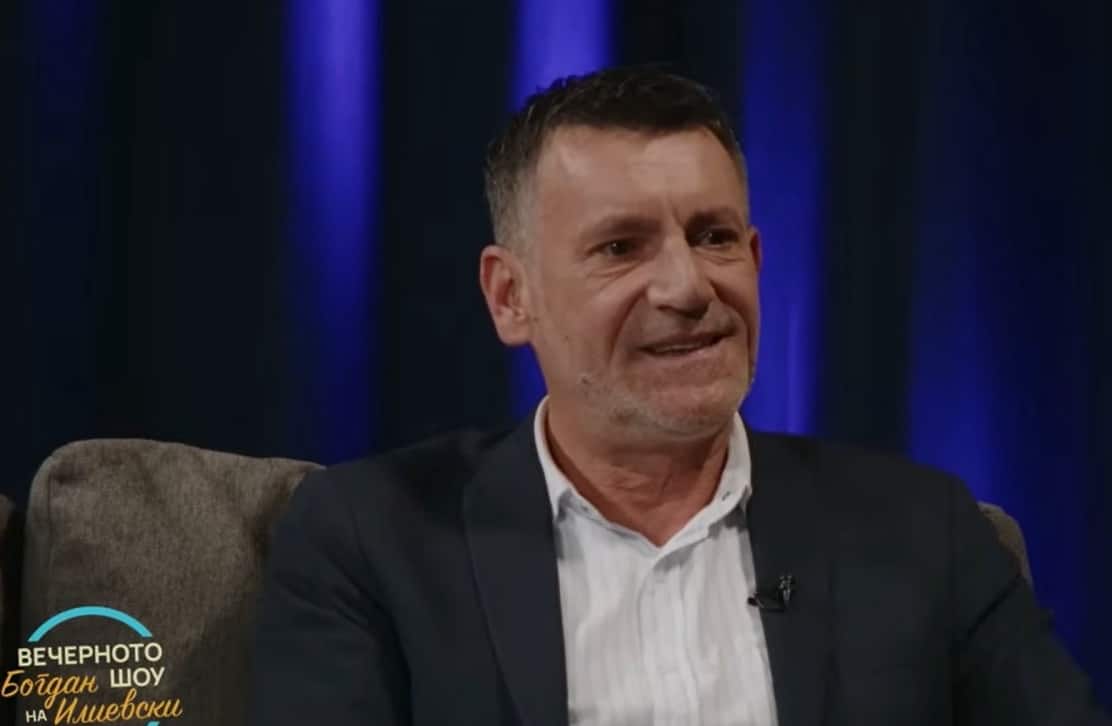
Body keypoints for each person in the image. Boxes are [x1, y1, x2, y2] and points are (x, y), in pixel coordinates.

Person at [249, 66, 1109, 725]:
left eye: (713, 236)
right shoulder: (372, 540)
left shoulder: (926, 533)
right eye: (621, 248)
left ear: (756, 260)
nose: (687, 287)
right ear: (512, 297)